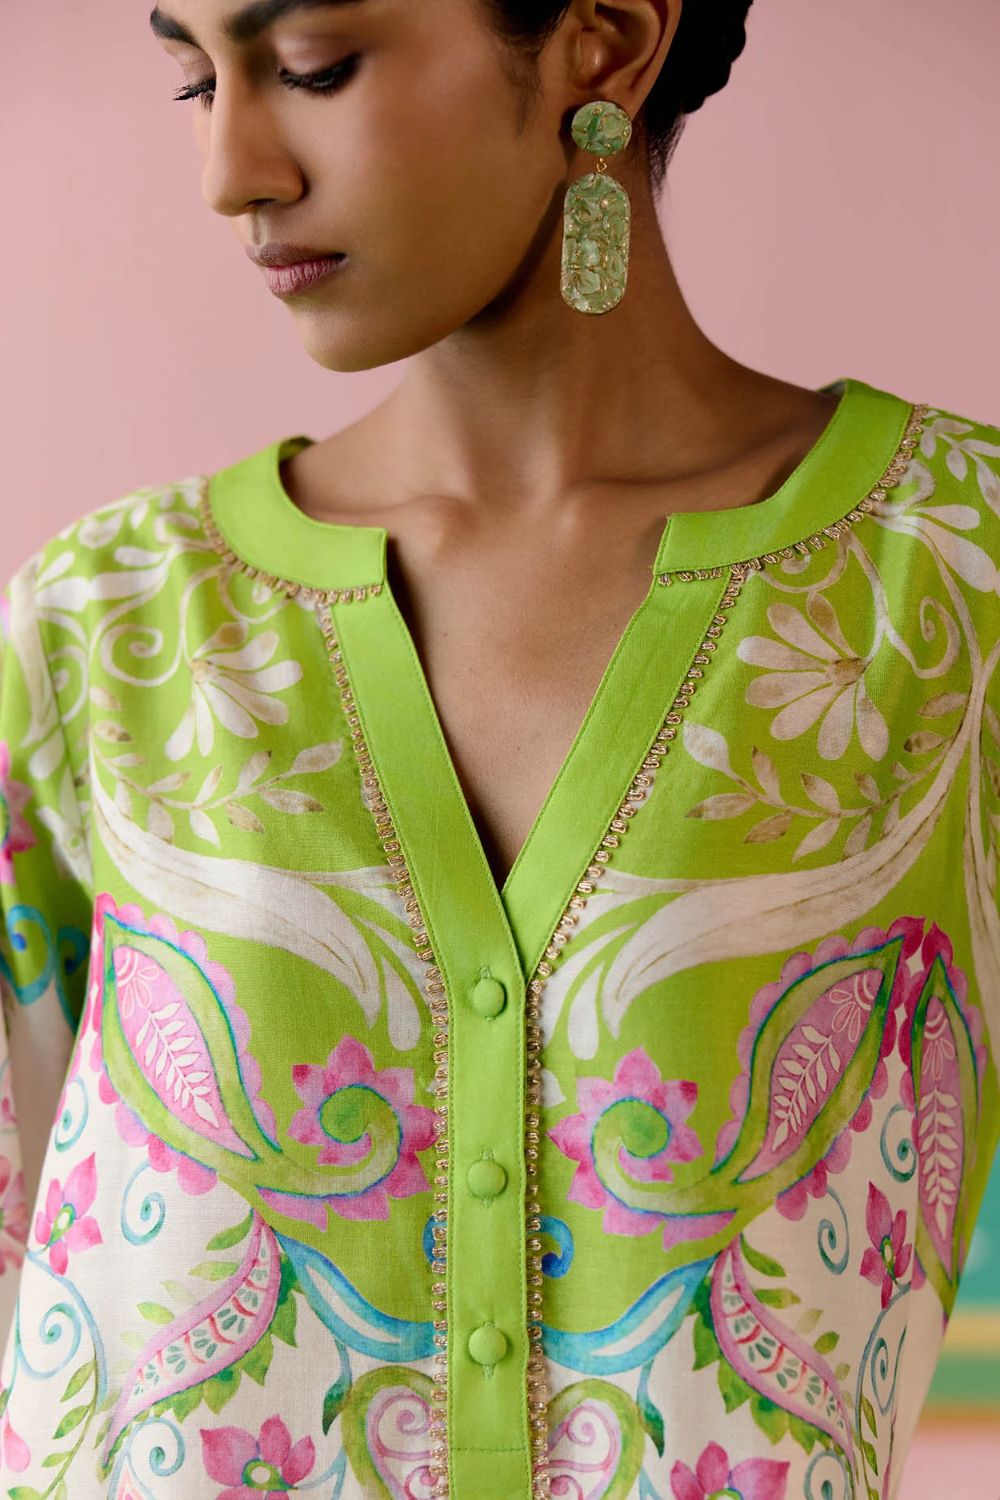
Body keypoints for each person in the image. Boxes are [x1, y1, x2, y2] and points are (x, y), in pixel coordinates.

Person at [1, 1, 997, 1496]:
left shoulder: (950, 581)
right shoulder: (106, 627)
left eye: (313, 68)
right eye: (196, 82)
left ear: (606, 45)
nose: (232, 172)